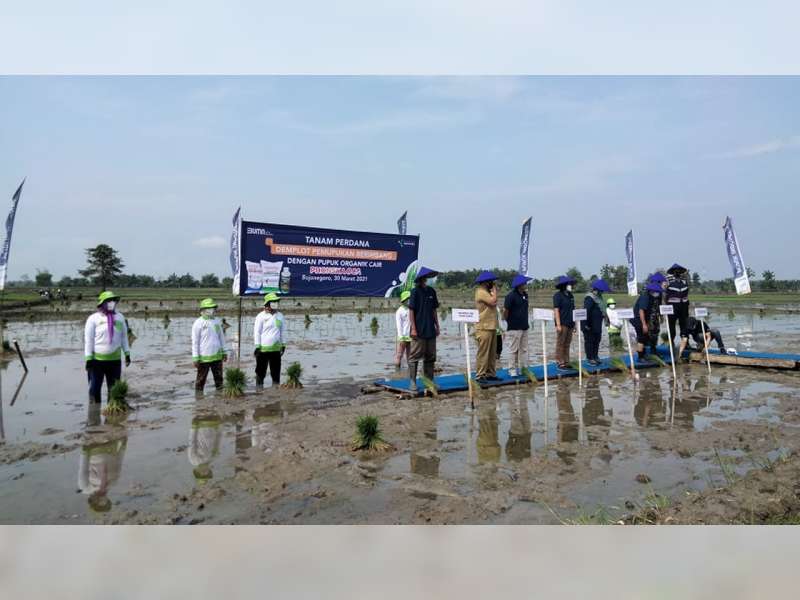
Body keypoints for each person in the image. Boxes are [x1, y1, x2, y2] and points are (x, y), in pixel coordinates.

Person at [84, 291, 131, 405]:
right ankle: (94, 410)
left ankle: (111, 409)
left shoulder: (120, 317)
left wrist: (127, 354)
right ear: (102, 303)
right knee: (95, 388)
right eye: (109, 301)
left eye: (114, 301)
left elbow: (124, 337)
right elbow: (89, 340)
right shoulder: (93, 319)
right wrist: (88, 358)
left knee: (113, 389)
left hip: (114, 361)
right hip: (97, 361)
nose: (112, 303)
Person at [407, 266, 441, 392]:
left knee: (430, 356)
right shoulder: (415, 292)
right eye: (425, 277)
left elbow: (434, 310)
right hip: (419, 329)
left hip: (430, 329)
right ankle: (412, 382)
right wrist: (413, 329)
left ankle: (429, 381)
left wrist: (437, 325)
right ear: (421, 278)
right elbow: (411, 311)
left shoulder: (431, 291)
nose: (426, 279)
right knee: (414, 356)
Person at [191, 298, 228, 392]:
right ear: (204, 310)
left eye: (213, 308)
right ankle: (199, 397)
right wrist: (195, 358)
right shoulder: (198, 323)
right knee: (201, 380)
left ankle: (219, 396)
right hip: (204, 357)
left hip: (217, 356)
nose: (213, 310)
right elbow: (195, 342)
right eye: (210, 308)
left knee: (219, 380)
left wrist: (224, 352)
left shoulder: (217, 321)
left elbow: (221, 338)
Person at [253, 292, 286, 387]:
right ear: (267, 304)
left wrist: (283, 345)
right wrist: (257, 346)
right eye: (273, 302)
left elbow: (283, 331)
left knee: (276, 372)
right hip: (263, 350)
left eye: (276, 302)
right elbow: (257, 332)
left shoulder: (280, 316)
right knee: (260, 372)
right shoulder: (261, 316)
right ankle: (259, 389)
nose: (275, 303)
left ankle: (275, 390)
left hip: (276, 349)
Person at [503, 274, 532, 376]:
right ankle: (512, 369)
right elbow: (505, 311)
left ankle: (523, 368)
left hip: (524, 326)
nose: (526, 284)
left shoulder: (525, 295)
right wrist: (508, 321)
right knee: (513, 349)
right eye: (524, 283)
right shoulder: (510, 296)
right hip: (514, 327)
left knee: (524, 349)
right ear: (519, 285)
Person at [474, 271, 500, 382]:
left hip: (491, 326)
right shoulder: (481, 291)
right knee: (483, 352)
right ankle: (480, 375)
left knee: (492, 353)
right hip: (483, 326)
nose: (493, 283)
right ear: (486, 282)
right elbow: (493, 302)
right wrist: (495, 291)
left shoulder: (487, 292)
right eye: (491, 282)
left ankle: (490, 373)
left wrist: (492, 292)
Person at [630, 282, 663, 361]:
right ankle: (640, 357)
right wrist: (644, 324)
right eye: (657, 292)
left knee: (645, 337)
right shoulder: (645, 297)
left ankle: (644, 354)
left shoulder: (652, 297)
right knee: (641, 338)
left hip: (644, 319)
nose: (658, 293)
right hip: (638, 319)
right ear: (652, 291)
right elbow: (641, 311)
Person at [582, 278, 611, 365]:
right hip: (589, 324)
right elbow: (586, 311)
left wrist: (606, 319)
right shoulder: (589, 298)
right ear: (596, 289)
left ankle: (595, 356)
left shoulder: (599, 298)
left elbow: (602, 310)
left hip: (597, 324)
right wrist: (586, 324)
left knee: (597, 340)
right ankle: (590, 358)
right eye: (601, 290)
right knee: (589, 341)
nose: (602, 292)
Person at [666, 263, 691, 355]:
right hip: (672, 307)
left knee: (684, 325)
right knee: (671, 326)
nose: (677, 273)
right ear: (673, 272)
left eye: (679, 271)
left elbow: (687, 292)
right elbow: (665, 294)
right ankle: (671, 343)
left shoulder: (684, 281)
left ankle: (686, 343)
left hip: (683, 307)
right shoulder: (668, 281)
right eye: (676, 271)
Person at [553, 275, 577, 369]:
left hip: (570, 322)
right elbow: (556, 310)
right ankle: (560, 361)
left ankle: (566, 361)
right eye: (569, 284)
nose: (570, 286)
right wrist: (558, 325)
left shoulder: (571, 295)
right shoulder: (557, 296)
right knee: (560, 343)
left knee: (567, 343)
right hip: (562, 323)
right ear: (564, 285)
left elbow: (573, 309)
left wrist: (574, 324)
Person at [394, 290, 412, 369]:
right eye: (408, 299)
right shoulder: (400, 311)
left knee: (410, 355)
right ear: (404, 300)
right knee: (399, 354)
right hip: (402, 336)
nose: (410, 300)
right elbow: (399, 325)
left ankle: (410, 371)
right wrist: (401, 337)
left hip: (410, 336)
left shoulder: (411, 309)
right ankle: (397, 370)